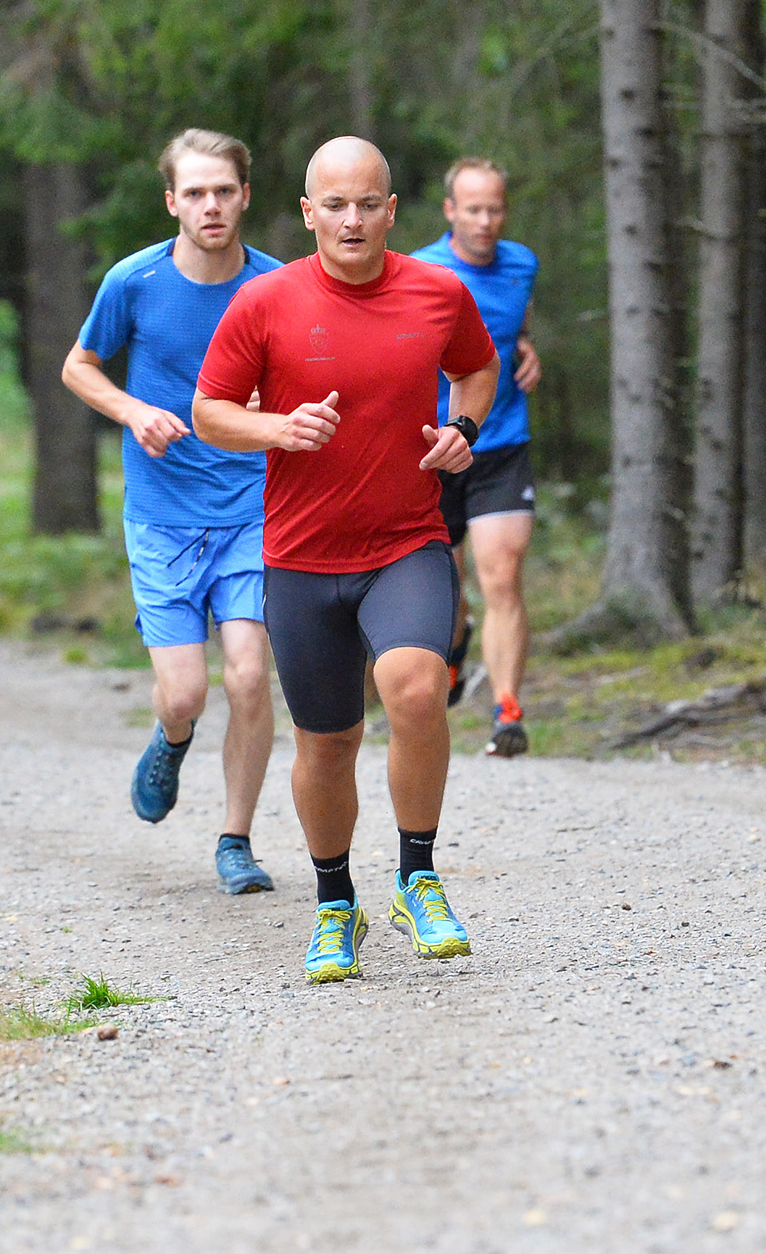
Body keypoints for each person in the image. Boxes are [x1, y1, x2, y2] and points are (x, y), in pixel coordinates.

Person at [194, 136, 497, 984]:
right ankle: (335, 902)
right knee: (326, 742)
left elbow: (477, 369)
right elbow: (209, 408)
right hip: (301, 556)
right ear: (306, 213)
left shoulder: (438, 293)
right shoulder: (266, 301)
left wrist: (462, 431)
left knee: (415, 685)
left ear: (393, 210)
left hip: (406, 542)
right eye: (335, 204)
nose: (353, 219)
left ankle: (418, 876)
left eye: (368, 203)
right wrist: (277, 428)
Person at [64, 130, 286, 896]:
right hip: (162, 512)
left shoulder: (277, 285)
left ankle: (236, 839)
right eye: (195, 192)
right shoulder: (135, 280)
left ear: (245, 195)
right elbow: (79, 366)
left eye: (223, 189)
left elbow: (317, 375)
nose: (211, 205)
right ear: (172, 202)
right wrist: (132, 411)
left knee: (251, 676)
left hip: (254, 505)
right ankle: (171, 734)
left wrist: (274, 405)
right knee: (188, 690)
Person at [411, 158, 542, 758]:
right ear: (450, 211)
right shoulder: (421, 271)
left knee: (502, 575)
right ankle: (456, 648)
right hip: (436, 448)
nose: (485, 222)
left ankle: (507, 710)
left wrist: (526, 350)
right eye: (473, 210)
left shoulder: (521, 265)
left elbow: (511, 327)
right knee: (449, 587)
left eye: (494, 209)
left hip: (501, 442)